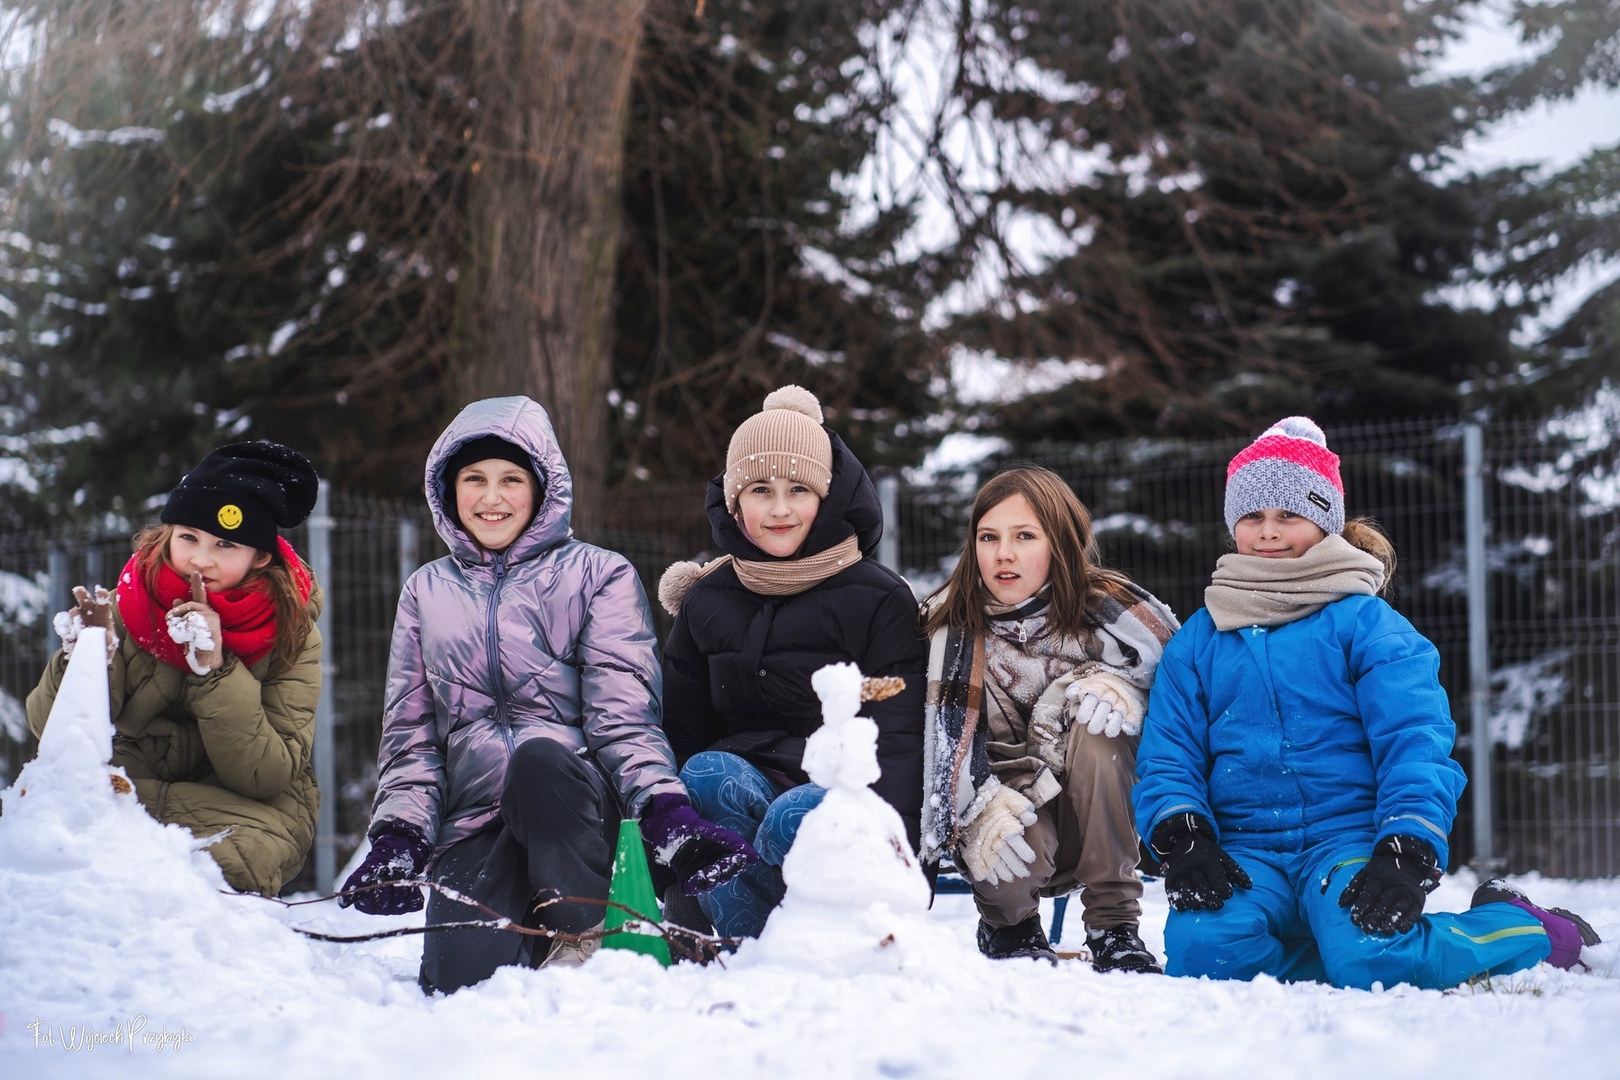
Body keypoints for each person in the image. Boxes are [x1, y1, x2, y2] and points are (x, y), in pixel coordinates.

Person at [1134, 417, 1602, 990]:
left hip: (1347, 845)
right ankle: (1336, 947)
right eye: (1252, 516)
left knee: (1374, 958)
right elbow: (1169, 753)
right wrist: (1183, 837)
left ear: (1325, 521)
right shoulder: (1202, 639)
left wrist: (1405, 846)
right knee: (1202, 952)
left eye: (1289, 515)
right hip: (1246, 853)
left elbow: (1415, 743)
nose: (1269, 533)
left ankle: (1528, 928)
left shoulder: (1367, 625)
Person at [342, 396, 755, 992]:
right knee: (457, 982)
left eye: (511, 479)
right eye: (474, 479)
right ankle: (526, 932)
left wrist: (664, 809)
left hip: (576, 810)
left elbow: (625, 719)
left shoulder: (599, 575)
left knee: (538, 758)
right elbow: (411, 738)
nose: (491, 497)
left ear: (542, 490)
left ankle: (581, 931)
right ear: (446, 490)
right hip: (478, 822)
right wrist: (399, 837)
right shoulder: (426, 591)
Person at [656, 385, 927, 941]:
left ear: (826, 497)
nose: (779, 509)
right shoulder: (708, 598)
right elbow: (679, 729)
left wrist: (900, 844)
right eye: (761, 489)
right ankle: (754, 942)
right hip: (742, 785)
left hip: (841, 792)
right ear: (735, 502)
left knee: (793, 815)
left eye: (798, 489)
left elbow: (899, 737)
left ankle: (809, 937)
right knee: (704, 771)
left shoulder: (879, 598)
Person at [27, 441, 324, 896]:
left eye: (225, 544)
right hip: (129, 790)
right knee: (41, 843)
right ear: (168, 534)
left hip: (243, 808)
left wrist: (216, 670)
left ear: (260, 557)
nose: (201, 559)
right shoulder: (129, 602)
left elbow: (266, 774)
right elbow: (53, 736)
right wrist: (84, 658)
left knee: (217, 874)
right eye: (188, 537)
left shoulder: (291, 632)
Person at [920, 467, 1179, 971]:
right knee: (1005, 849)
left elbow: (1187, 700)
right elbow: (931, 749)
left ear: (1059, 544)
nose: (1004, 554)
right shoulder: (944, 630)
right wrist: (977, 806)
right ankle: (1009, 926)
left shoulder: (1114, 620)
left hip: (1105, 814)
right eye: (988, 537)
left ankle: (1114, 924)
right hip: (1010, 808)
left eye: (1024, 536)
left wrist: (1125, 691)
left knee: (1099, 722)